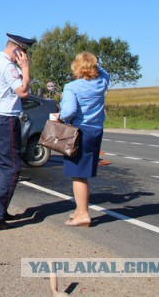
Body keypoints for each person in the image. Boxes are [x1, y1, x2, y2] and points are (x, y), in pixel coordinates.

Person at [0, 32, 35, 230]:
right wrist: (25, 69)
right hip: (5, 119)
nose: (24, 57)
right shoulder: (8, 66)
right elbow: (23, 91)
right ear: (18, 50)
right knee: (11, 168)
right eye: (23, 53)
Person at [59, 52, 109, 227]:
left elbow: (68, 112)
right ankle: (80, 210)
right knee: (85, 172)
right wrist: (94, 63)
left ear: (76, 67)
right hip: (96, 130)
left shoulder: (72, 87)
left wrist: (62, 117)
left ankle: (83, 214)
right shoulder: (101, 83)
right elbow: (105, 73)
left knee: (78, 174)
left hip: (79, 132)